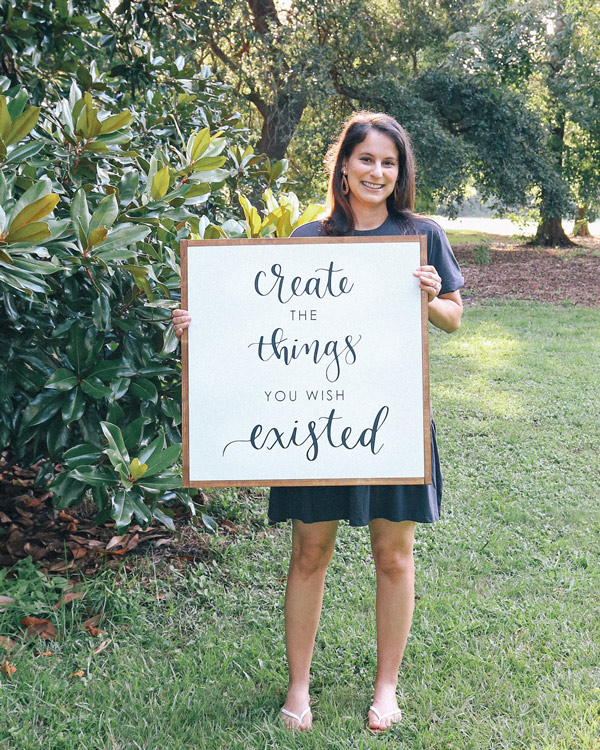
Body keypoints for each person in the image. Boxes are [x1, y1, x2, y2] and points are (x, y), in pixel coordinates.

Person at [172, 111, 464, 733]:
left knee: (394, 555)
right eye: (366, 159)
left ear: (400, 172)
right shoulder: (309, 238)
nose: (377, 172)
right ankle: (298, 687)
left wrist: (430, 295)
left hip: (390, 421)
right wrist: (199, 327)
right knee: (309, 551)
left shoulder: (421, 236)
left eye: (389, 162)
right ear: (343, 165)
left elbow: (453, 318)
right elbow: (256, 322)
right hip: (310, 423)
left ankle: (387, 687)